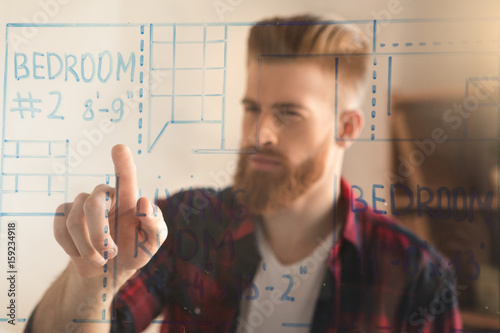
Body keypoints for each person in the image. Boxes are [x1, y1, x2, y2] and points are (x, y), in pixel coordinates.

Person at [26, 15, 462, 332]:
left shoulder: (415, 274)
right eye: (252, 109)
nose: (259, 134)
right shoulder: (184, 224)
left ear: (346, 128)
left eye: (288, 114)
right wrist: (95, 282)